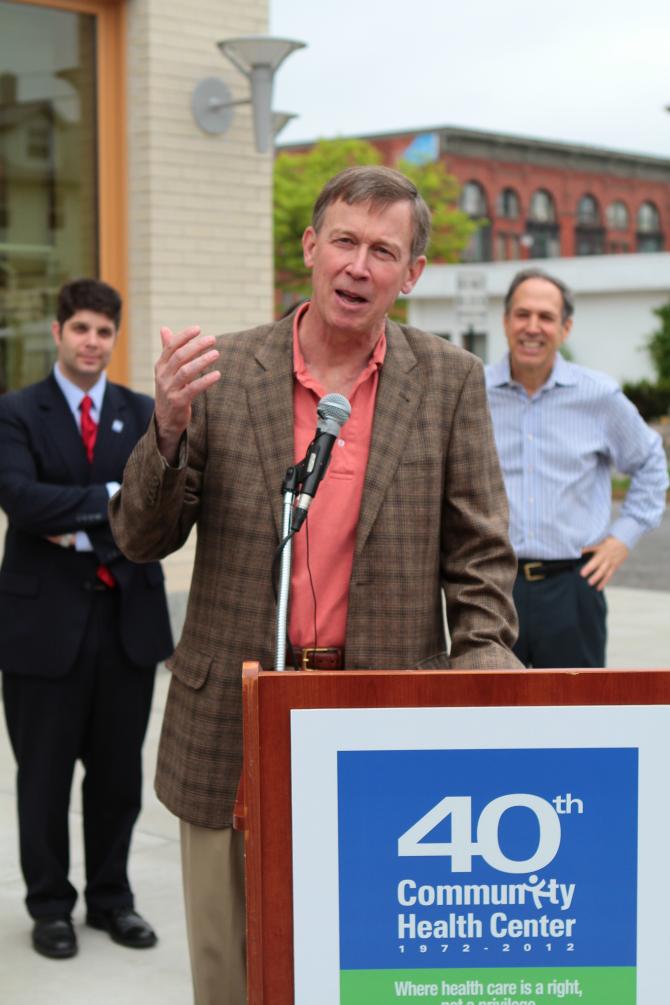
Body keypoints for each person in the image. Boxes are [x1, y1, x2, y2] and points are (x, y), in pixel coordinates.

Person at [109, 165, 522, 1004]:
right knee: (231, 972)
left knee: (364, 964)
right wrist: (168, 427)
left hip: (380, 711)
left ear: (412, 274)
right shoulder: (221, 372)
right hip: (233, 712)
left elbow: (478, 555)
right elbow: (142, 538)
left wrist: (484, 670)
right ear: (309, 247)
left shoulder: (447, 381)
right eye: (344, 240)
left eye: (383, 250)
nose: (358, 265)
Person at [0, 279, 174, 960]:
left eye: (104, 331)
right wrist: (111, 500)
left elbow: (158, 510)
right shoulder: (16, 412)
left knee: (116, 777)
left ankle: (111, 899)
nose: (93, 342)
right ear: (57, 332)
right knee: (42, 777)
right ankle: (49, 906)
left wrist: (75, 518)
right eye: (81, 329)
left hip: (126, 625)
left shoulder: (144, 412)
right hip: (43, 632)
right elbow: (20, 498)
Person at [486, 267, 668, 669]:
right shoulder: (474, 394)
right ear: (505, 321)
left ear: (565, 328)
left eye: (546, 317)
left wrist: (622, 539)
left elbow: (651, 462)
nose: (532, 327)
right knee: (491, 718)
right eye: (522, 314)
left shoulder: (599, 396)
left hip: (573, 590)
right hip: (492, 589)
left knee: (576, 722)